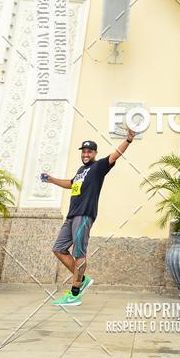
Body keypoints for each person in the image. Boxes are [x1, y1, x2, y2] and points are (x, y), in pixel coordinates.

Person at [45, 129, 135, 306]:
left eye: (89, 151)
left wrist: (129, 140)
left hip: (84, 215)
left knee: (79, 253)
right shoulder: (81, 170)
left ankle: (75, 293)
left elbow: (115, 155)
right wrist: (52, 180)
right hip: (72, 216)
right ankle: (82, 279)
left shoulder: (99, 166)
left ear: (94, 153)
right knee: (58, 248)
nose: (86, 154)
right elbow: (71, 184)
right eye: (84, 151)